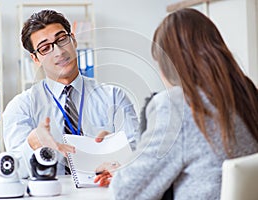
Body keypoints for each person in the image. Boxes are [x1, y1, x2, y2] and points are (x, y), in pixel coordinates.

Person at [94, 8, 258, 199]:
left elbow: (126, 193)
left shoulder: (179, 106)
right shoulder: (245, 93)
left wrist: (123, 173)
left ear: (169, 64)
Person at [2, 10, 140, 177]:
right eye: (45, 48)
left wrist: (116, 151)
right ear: (35, 59)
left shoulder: (114, 97)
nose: (59, 52)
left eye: (62, 39)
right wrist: (31, 144)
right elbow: (14, 172)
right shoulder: (21, 107)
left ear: (73, 40)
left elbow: (138, 156)